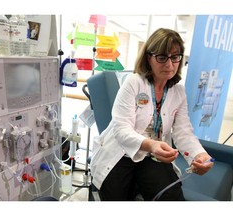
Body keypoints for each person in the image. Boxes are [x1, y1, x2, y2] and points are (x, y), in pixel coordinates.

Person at [90, 28, 214, 201]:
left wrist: (199, 155)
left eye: (175, 57)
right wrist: (151, 145)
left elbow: (183, 132)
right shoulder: (134, 83)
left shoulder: (178, 92)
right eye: (162, 58)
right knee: (112, 195)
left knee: (170, 196)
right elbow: (121, 128)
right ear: (149, 58)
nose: (169, 65)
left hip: (153, 157)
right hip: (121, 153)